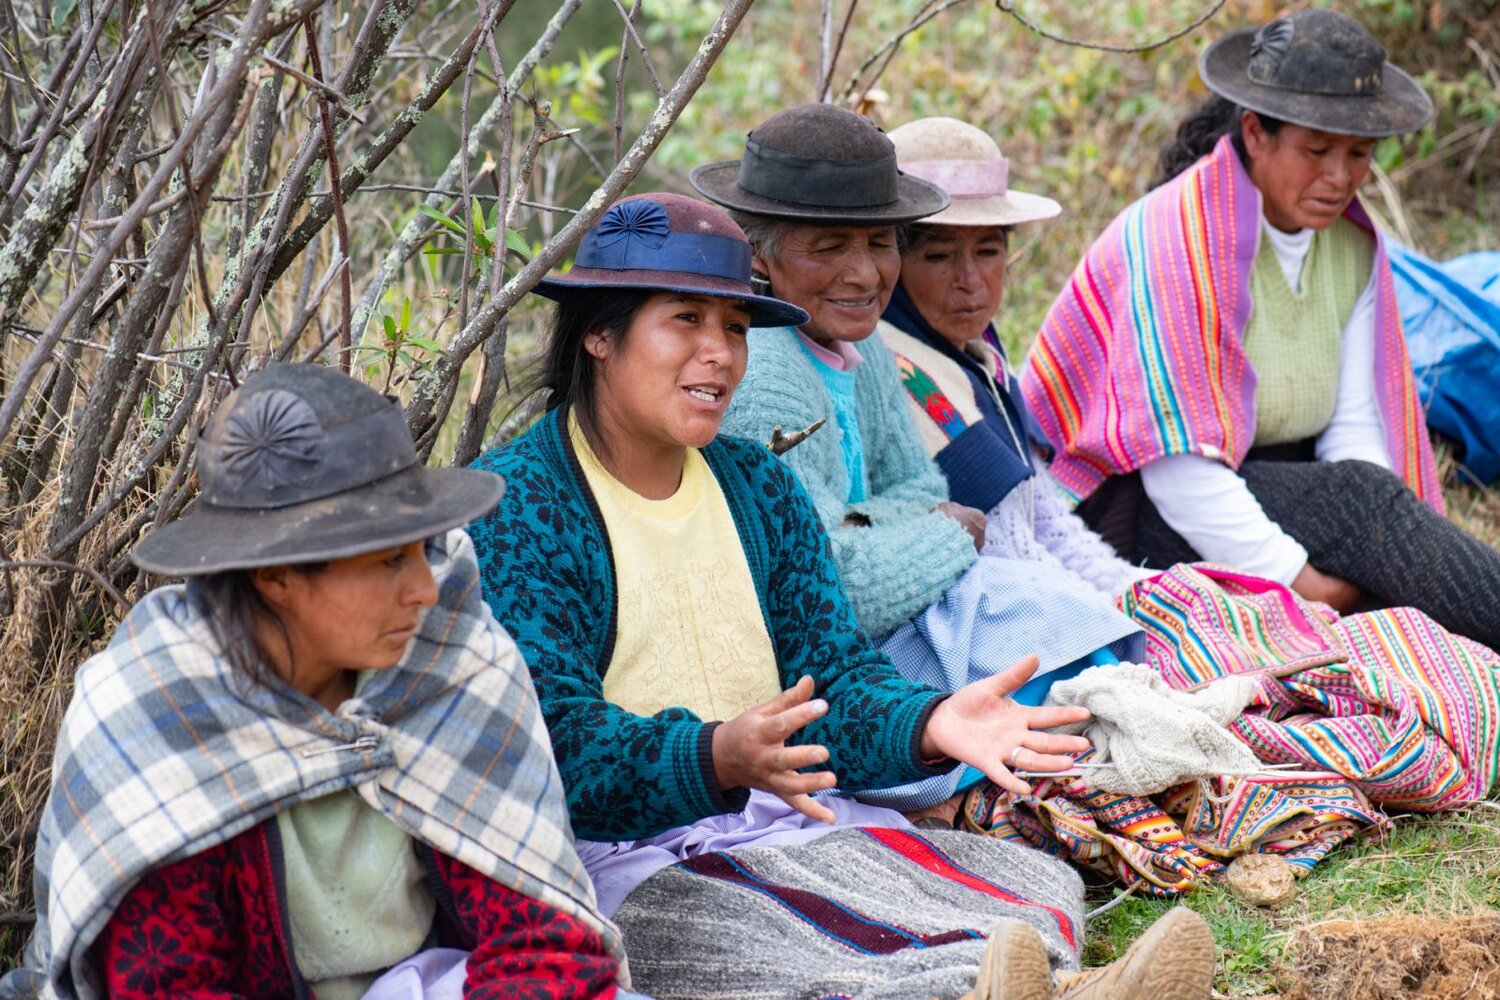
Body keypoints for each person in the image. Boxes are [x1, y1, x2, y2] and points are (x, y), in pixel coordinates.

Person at [468, 190, 1215, 1000]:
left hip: (783, 820)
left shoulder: (758, 485)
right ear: (600, 337)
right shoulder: (520, 504)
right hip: (629, 851)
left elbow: (838, 676)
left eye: (735, 329)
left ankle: (1031, 985)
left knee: (1027, 882)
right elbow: (555, 747)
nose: (719, 353)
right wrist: (718, 755)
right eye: (686, 320)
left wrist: (932, 721)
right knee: (754, 936)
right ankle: (1016, 990)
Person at [2, 365, 625, 1000]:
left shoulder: (451, 663)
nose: (425, 588)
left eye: (422, 549)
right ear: (277, 577)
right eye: (388, 561)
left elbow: (544, 943)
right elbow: (168, 984)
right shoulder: (158, 717)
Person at [700, 104, 1141, 813]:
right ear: (760, 256)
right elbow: (827, 584)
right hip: (813, 665)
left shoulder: (865, 347)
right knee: (1056, 663)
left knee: (1076, 647)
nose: (863, 272)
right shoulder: (768, 372)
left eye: (880, 242)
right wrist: (941, 532)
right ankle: (950, 793)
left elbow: (914, 485)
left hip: (883, 609)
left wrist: (865, 523)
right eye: (828, 247)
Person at [1021, 8, 1500, 649]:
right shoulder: (1178, 239)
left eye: (1358, 153)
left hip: (1277, 488)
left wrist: (1372, 558)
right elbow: (1179, 474)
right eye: (1317, 150)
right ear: (1255, 132)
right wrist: (1310, 585)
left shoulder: (1352, 247)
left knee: (1377, 524)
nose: (1340, 177)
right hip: (1141, 514)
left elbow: (1354, 428)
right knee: (1363, 510)